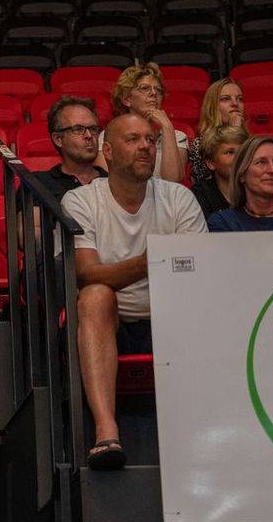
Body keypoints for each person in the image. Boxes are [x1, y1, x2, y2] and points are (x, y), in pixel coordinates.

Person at [60, 114, 207, 470]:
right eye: (133, 139)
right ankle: (106, 429)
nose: (145, 147)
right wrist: (153, 259)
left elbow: (197, 269)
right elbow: (86, 272)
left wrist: (146, 264)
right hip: (112, 324)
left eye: (150, 140)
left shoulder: (179, 198)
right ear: (107, 151)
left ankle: (206, 433)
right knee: (95, 294)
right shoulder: (80, 200)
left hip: (169, 317)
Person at [100, 62, 188, 183]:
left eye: (158, 89)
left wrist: (167, 127)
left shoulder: (177, 136)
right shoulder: (109, 136)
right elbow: (106, 181)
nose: (153, 93)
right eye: (144, 88)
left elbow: (172, 180)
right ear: (126, 99)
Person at [34, 95, 106, 199]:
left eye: (93, 129)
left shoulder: (113, 182)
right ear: (58, 139)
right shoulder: (38, 184)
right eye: (78, 129)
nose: (89, 135)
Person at [188, 77, 245, 185]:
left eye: (240, 99)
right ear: (212, 107)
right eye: (225, 99)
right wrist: (234, 133)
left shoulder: (251, 141)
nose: (235, 103)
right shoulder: (200, 144)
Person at [190, 125, 248, 218]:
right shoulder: (200, 195)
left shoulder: (259, 187)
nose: (239, 157)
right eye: (230, 152)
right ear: (211, 163)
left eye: (243, 151)